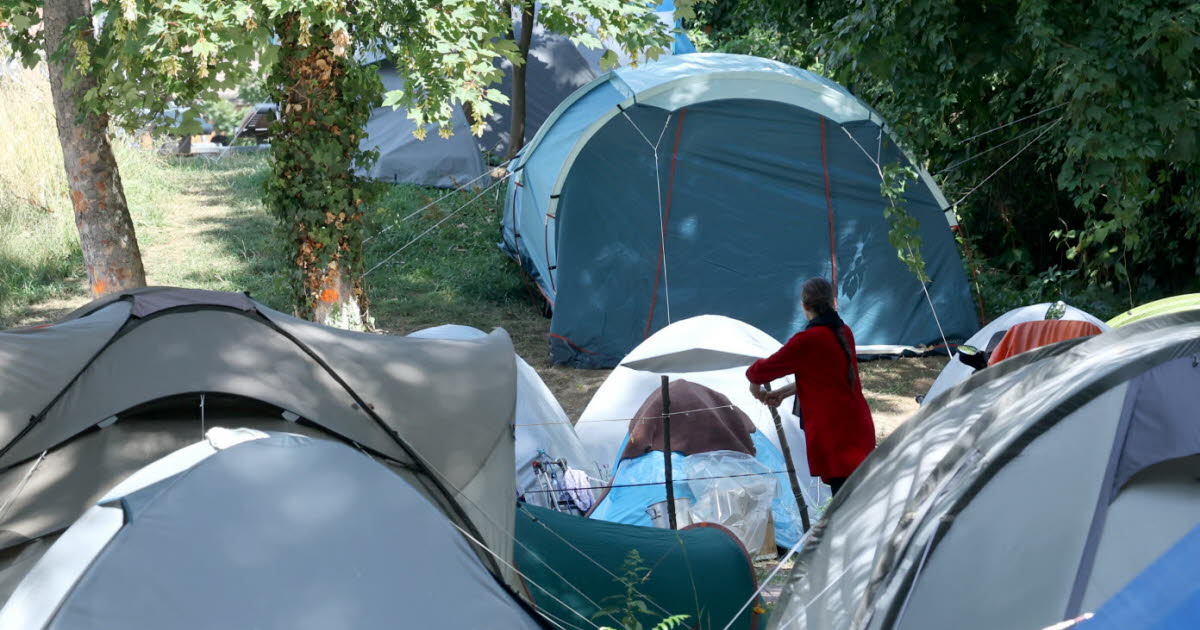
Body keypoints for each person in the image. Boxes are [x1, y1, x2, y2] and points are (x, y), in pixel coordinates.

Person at [745, 277, 875, 496]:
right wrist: (784, 392)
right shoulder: (844, 331)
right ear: (833, 302)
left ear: (804, 305)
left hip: (835, 436)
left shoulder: (807, 340)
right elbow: (826, 376)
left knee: (844, 504)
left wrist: (755, 389)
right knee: (858, 501)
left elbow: (761, 371)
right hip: (857, 427)